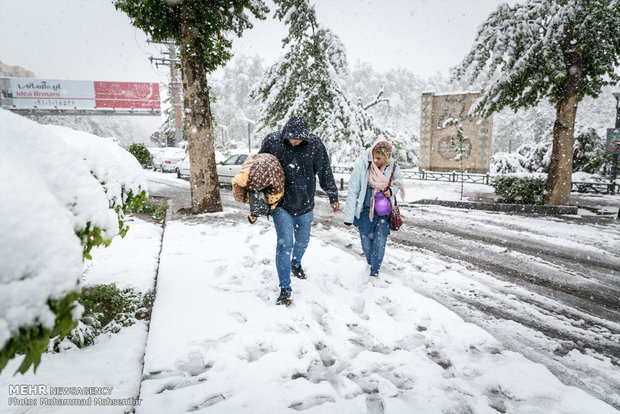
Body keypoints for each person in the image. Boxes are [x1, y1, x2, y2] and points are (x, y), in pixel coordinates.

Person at [259, 114, 340, 306]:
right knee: (284, 243)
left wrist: (333, 195)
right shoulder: (273, 141)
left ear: (306, 136)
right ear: (285, 132)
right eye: (291, 137)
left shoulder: (315, 145)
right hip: (281, 204)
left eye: (299, 138)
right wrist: (257, 194)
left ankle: (296, 263)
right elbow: (259, 166)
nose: (295, 141)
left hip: (305, 204)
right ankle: (285, 289)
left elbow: (325, 171)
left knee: (302, 241)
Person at [343, 138, 404, 279]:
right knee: (366, 243)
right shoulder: (362, 165)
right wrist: (348, 218)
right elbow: (353, 191)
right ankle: (370, 263)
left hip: (383, 213)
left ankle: (374, 273)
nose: (379, 162)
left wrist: (391, 191)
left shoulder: (392, 165)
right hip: (364, 211)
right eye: (377, 158)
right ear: (372, 153)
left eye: (383, 159)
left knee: (380, 243)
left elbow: (398, 183)